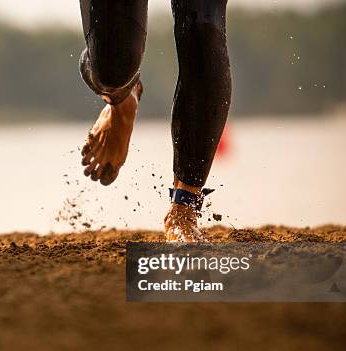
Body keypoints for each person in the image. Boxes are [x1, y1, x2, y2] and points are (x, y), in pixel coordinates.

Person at [78, 0, 232, 242]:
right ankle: (121, 97)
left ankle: (184, 208)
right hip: (114, 70)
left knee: (203, 28)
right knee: (111, 68)